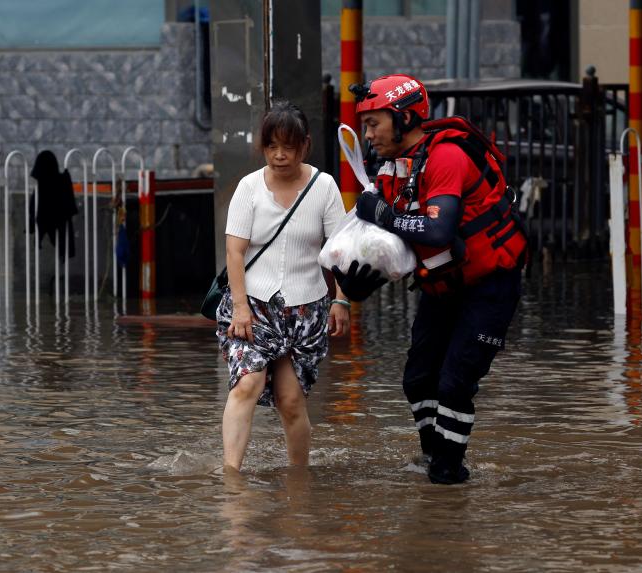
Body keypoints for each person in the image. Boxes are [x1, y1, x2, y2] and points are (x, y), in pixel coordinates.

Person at [333, 74, 527, 485]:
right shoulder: (392, 169)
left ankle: (448, 475)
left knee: (455, 384)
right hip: (443, 285)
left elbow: (437, 231)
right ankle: (433, 460)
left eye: (374, 123)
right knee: (418, 379)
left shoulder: (446, 157)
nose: (368, 135)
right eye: (365, 125)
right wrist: (356, 287)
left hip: (489, 285)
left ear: (403, 118)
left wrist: (383, 215)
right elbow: (395, 247)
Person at [218, 100, 350, 471]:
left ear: (304, 145)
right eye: (272, 146)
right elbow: (234, 251)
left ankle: (299, 477)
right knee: (248, 383)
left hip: (305, 309)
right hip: (253, 307)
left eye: (288, 147)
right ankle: (231, 477)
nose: (279, 155)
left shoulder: (324, 187)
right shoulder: (248, 188)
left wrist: (342, 301)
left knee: (291, 400)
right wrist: (241, 307)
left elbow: (340, 250)